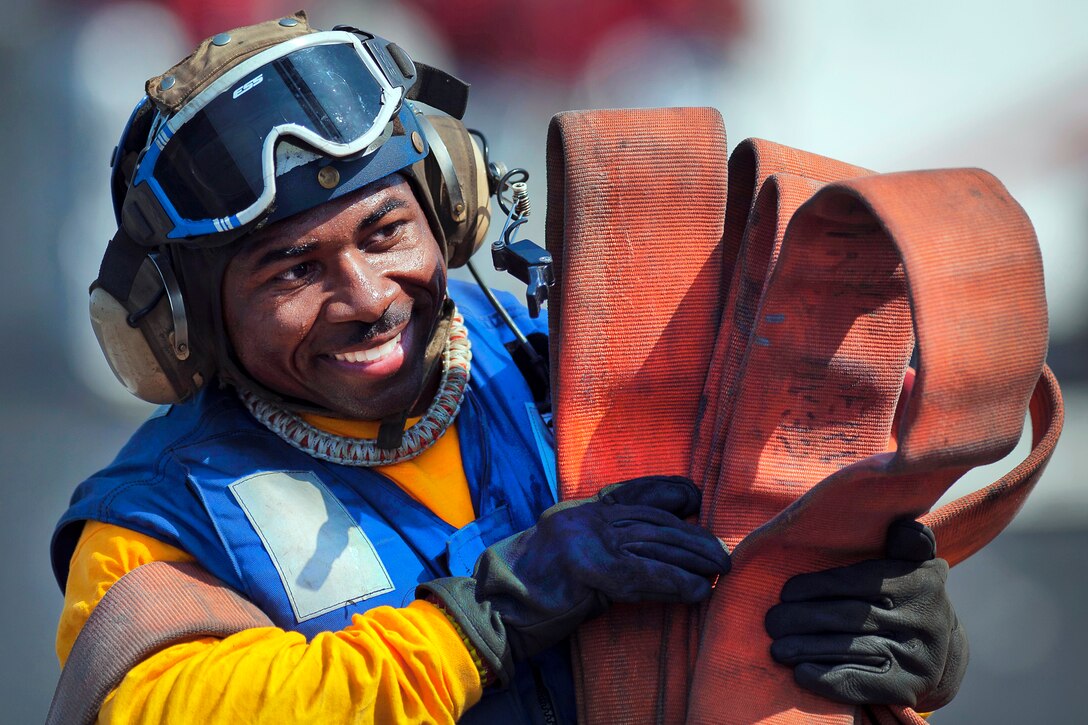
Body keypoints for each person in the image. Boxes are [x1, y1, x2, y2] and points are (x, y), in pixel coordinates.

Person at [50, 12, 967, 724]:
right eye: (294, 270)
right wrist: (487, 617)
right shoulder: (160, 517)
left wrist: (896, 648)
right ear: (185, 320)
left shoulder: (585, 368)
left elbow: (774, 567)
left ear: (449, 210)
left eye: (386, 232)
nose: (368, 296)